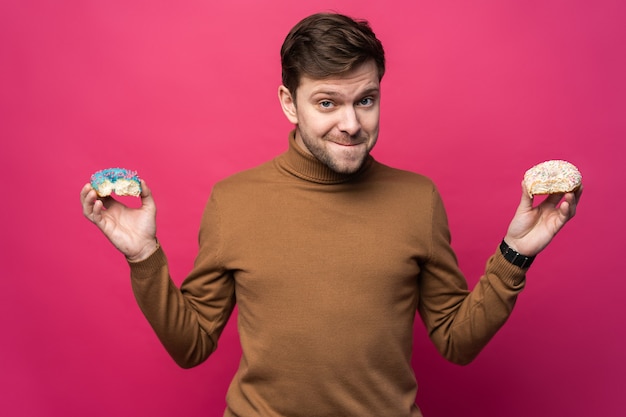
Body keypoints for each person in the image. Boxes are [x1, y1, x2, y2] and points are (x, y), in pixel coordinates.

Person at [80, 12, 582, 417]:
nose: (351, 124)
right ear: (289, 103)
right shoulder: (233, 200)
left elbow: (455, 341)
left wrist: (515, 254)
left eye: (366, 100)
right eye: (327, 102)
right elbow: (191, 346)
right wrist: (144, 256)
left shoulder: (417, 199)